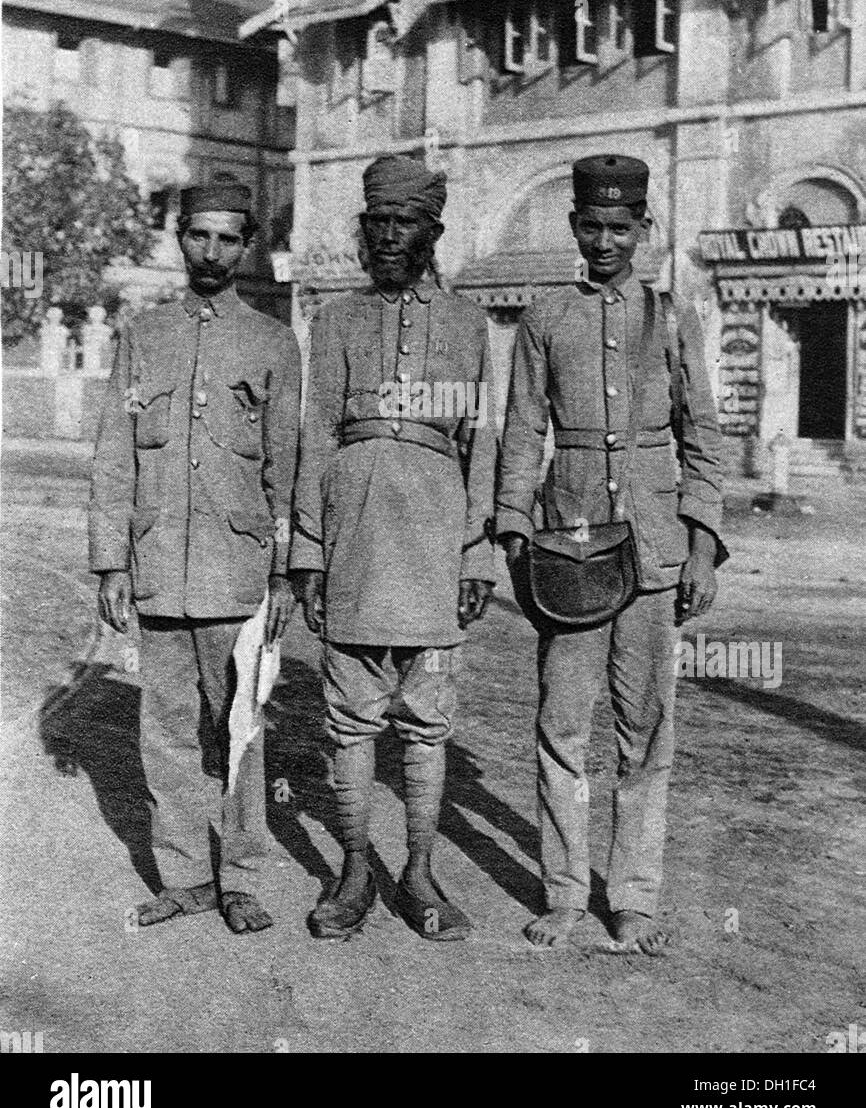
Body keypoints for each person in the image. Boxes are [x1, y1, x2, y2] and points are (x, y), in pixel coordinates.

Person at [497, 154, 727, 954]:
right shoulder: (545, 317)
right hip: (570, 549)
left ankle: (633, 898)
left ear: (643, 231)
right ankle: (562, 893)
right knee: (562, 727)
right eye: (591, 226)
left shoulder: (670, 317)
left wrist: (703, 546)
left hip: (657, 555)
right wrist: (513, 528)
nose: (605, 241)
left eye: (620, 228)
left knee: (648, 731)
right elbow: (524, 429)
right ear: (573, 227)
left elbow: (703, 436)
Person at [290, 154, 496, 942]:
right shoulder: (337, 320)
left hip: (436, 538)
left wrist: (476, 554)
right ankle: (351, 871)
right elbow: (313, 437)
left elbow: (483, 442)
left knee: (427, 718)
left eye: (401, 222)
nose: (384, 237)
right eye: (374, 222)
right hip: (352, 536)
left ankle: (417, 871)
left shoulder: (469, 325)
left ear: (433, 232)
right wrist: (307, 550)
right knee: (348, 719)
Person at [89, 182, 301, 933]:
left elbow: (286, 464)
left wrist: (282, 571)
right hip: (157, 566)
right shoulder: (144, 335)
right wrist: (111, 561)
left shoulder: (273, 341)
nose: (211, 252)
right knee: (167, 728)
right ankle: (184, 876)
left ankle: (241, 875)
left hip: (237, 570)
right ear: (180, 239)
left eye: (227, 239)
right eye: (198, 236)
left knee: (241, 726)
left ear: (246, 248)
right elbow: (117, 453)